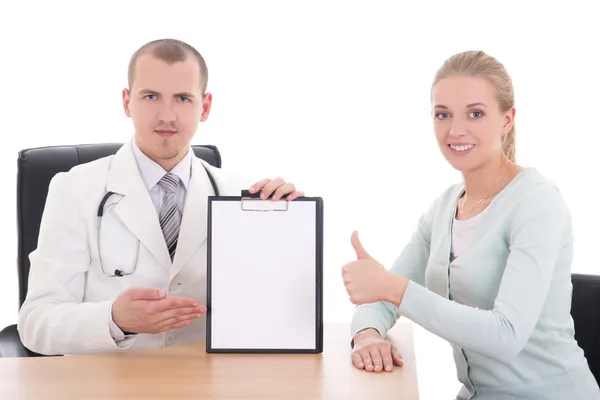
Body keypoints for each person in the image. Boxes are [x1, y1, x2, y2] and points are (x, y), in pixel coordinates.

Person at [17, 38, 304, 356]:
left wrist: (288, 229)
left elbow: (278, 308)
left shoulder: (246, 199)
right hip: (108, 383)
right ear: (127, 102)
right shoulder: (74, 189)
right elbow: (35, 323)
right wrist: (114, 319)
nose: (167, 115)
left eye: (182, 98)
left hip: (206, 381)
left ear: (204, 107)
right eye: (151, 96)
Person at [342, 50, 600, 399]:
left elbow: (505, 336)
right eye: (442, 114)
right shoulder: (445, 206)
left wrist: (395, 289)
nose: (456, 130)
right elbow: (380, 300)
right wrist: (369, 335)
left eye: (475, 114)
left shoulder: (537, 203)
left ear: (507, 119)